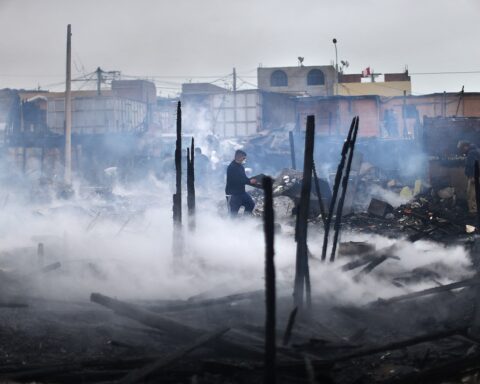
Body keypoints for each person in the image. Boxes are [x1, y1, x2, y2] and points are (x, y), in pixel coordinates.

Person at [225, 150, 257, 216]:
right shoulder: (231, 167)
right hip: (232, 194)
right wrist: (249, 181)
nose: (244, 160)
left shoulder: (241, 167)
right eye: (243, 158)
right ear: (238, 157)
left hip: (241, 192)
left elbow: (244, 178)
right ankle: (231, 225)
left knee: (250, 204)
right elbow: (237, 180)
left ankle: (244, 221)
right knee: (233, 213)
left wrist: (251, 181)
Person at [458, 140, 480, 214]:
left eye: (462, 149)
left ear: (465, 146)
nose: (462, 151)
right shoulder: (476, 150)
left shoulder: (471, 152)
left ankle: (473, 211)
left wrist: (472, 176)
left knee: (471, 194)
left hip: (474, 176)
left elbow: (473, 165)